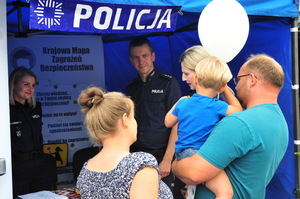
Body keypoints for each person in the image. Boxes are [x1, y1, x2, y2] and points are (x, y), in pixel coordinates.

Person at [172, 54, 289, 199]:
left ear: (252, 79)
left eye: (238, 79)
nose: (236, 85)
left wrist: (175, 164)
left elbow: (193, 173)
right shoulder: (279, 121)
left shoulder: (239, 123)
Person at [166, 56, 242, 199]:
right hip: (199, 156)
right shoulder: (216, 106)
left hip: (181, 154)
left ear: (196, 80)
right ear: (222, 86)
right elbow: (239, 110)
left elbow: (167, 122)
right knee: (225, 192)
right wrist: (225, 90)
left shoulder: (184, 102)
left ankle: (188, 187)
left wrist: (179, 102)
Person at [76, 86, 173, 198]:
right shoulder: (139, 164)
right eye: (133, 117)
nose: (135, 122)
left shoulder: (87, 168)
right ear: (124, 119)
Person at [126, 37, 182, 195]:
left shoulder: (168, 83)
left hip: (162, 155)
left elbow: (177, 122)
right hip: (137, 156)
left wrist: (167, 159)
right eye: (136, 57)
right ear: (131, 60)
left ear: (153, 56)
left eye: (144, 56)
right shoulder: (131, 88)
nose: (141, 61)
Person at [9, 66, 56, 198]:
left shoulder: (36, 107)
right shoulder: (6, 110)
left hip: (40, 165)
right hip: (18, 168)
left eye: (33, 85)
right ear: (13, 85)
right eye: (26, 84)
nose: (31, 89)